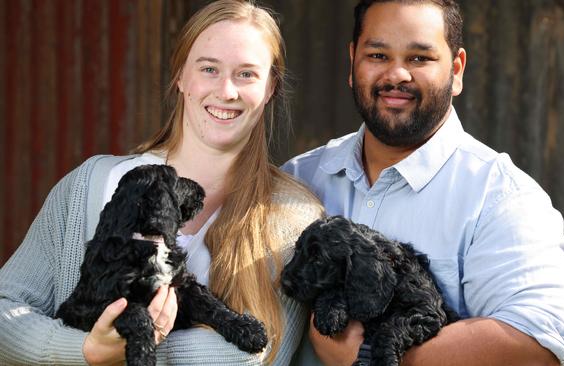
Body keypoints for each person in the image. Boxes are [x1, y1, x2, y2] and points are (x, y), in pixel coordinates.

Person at [0, 1, 323, 364]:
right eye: (209, 68)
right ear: (181, 76)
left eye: (247, 74)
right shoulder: (91, 183)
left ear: (271, 88)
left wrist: (134, 350)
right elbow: (5, 312)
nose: (227, 91)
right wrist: (86, 351)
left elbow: (260, 354)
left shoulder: (293, 217)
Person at [283, 0, 564, 365]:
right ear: (352, 62)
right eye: (377, 55)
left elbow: (535, 345)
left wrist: (369, 356)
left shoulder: (501, 197)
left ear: (456, 70)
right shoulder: (298, 179)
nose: (397, 75)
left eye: (419, 59)